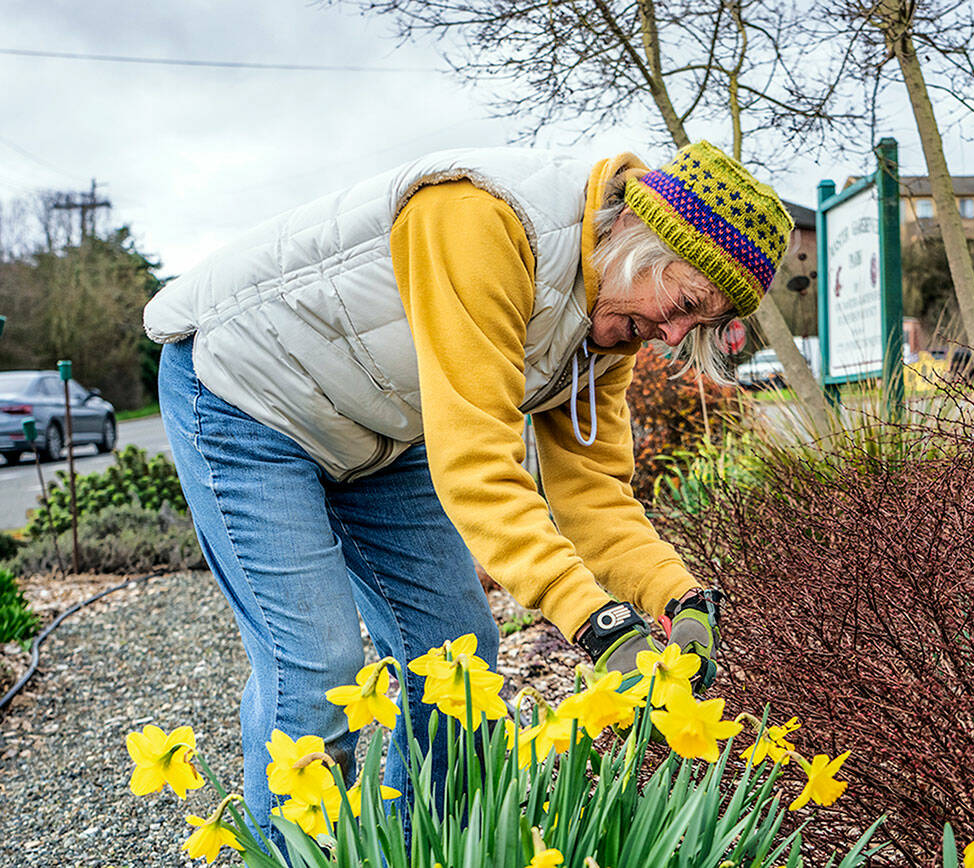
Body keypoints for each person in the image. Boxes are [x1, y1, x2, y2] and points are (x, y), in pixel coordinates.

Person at [143, 140, 792, 842]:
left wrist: (677, 596)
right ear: (644, 236)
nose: (670, 335)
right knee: (317, 664)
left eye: (693, 326)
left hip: (381, 429)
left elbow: (593, 494)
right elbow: (478, 467)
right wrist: (598, 624)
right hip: (247, 399)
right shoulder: (483, 218)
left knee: (454, 653)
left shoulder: (608, 331)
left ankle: (414, 848)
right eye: (684, 302)